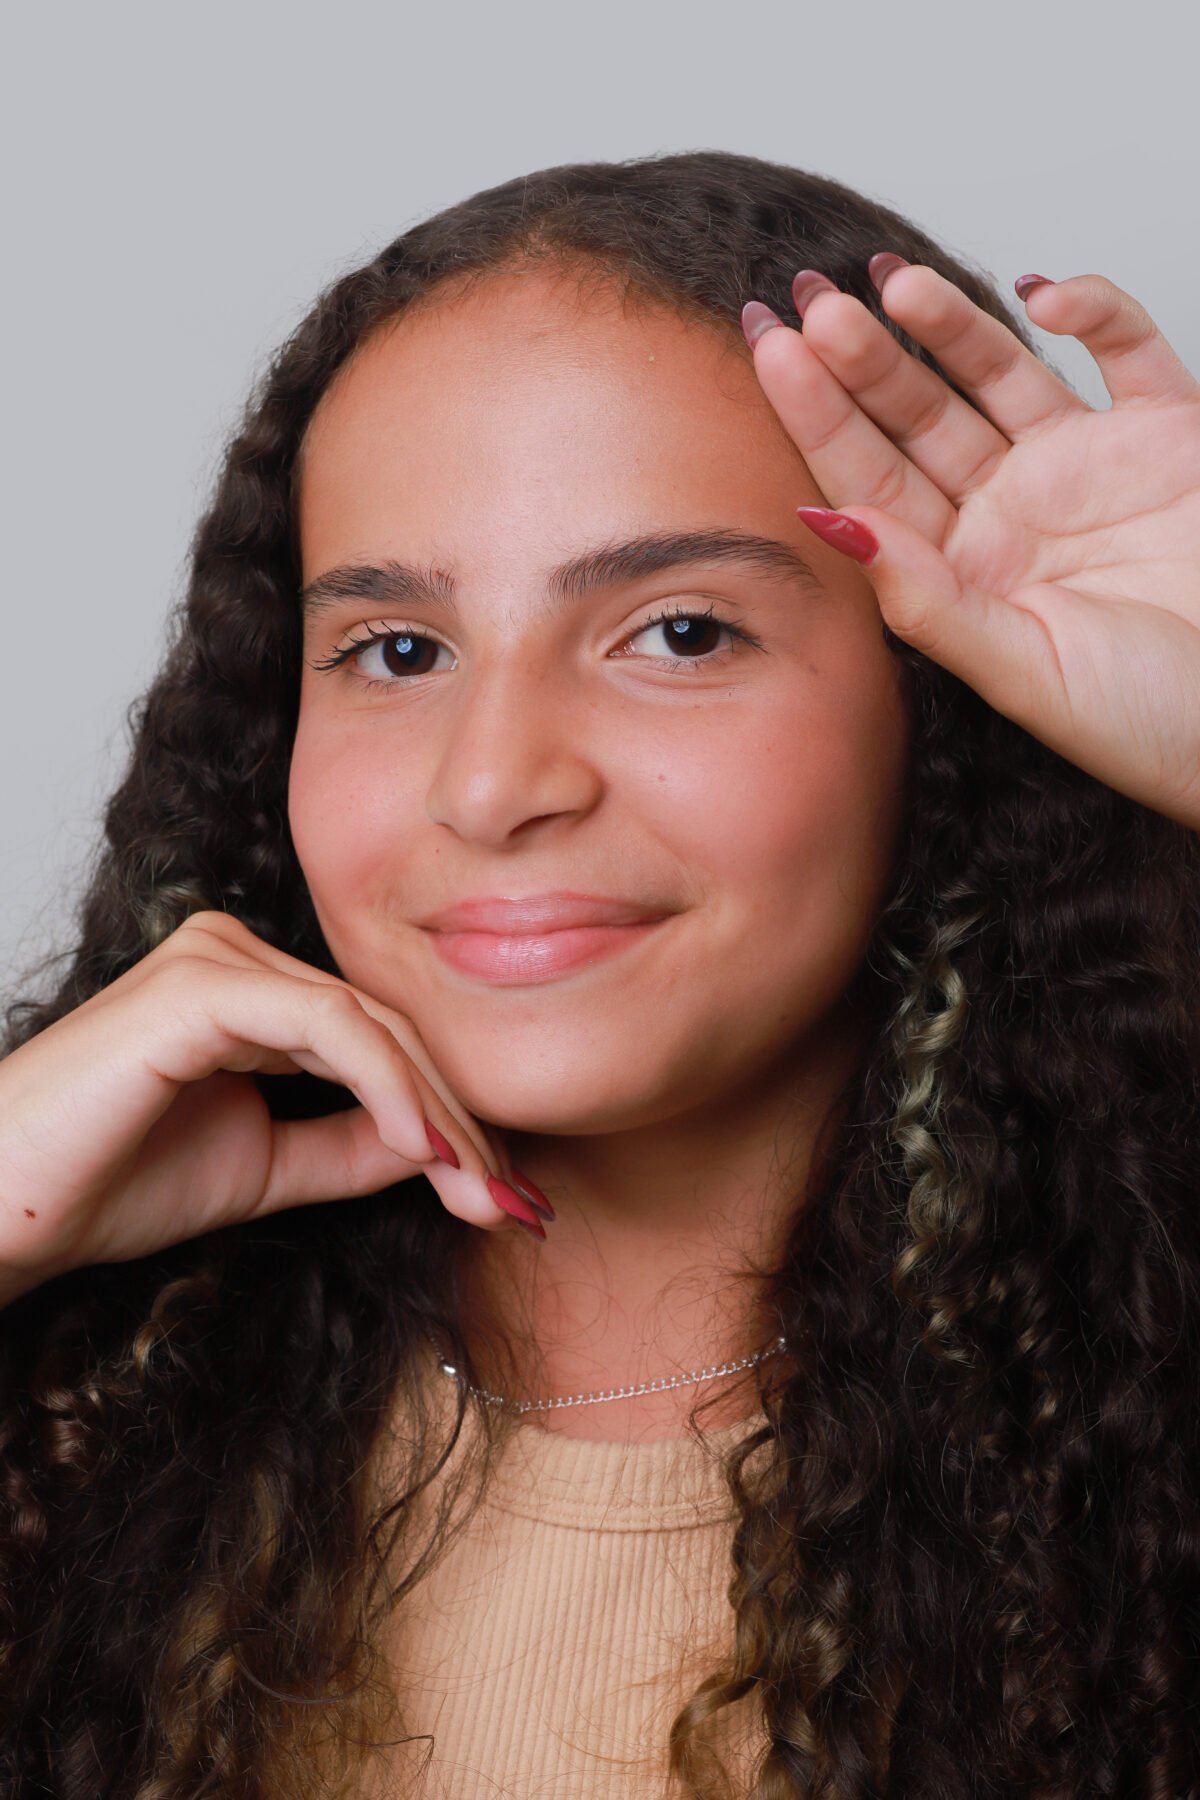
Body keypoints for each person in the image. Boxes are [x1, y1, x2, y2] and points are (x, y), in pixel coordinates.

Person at [2, 147, 1199, 1798]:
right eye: (396, 651)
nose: (495, 784)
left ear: (945, 712)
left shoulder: (1145, 1449)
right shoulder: (78, 1423)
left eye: (682, 633)